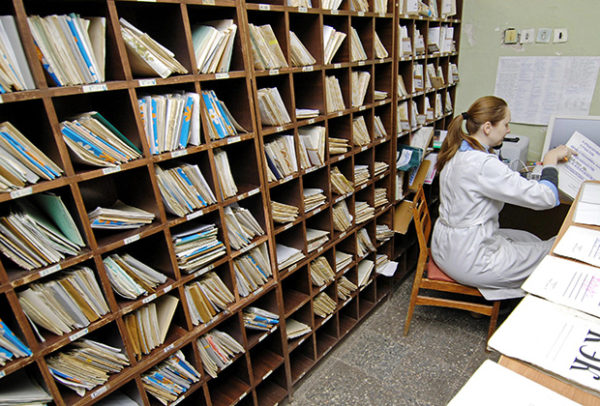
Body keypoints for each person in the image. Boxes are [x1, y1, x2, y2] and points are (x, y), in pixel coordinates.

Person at [430, 96, 572, 300]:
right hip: (470, 259)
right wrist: (550, 162)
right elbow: (546, 198)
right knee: (554, 250)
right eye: (506, 124)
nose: (508, 130)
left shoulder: (459, 151)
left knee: (530, 239)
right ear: (487, 127)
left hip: (446, 248)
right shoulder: (483, 164)